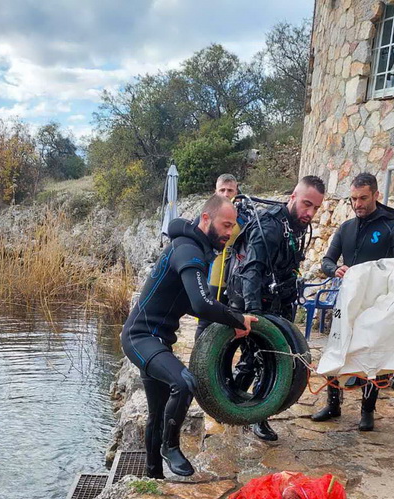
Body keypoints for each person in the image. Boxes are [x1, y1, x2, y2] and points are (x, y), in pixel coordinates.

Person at [122, 194, 256, 478]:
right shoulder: (186, 248)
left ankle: (152, 476)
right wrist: (236, 318)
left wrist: (227, 325)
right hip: (140, 337)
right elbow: (201, 304)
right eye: (226, 224)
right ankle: (170, 447)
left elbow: (202, 302)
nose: (230, 233)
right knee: (183, 383)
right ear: (206, 218)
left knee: (157, 414)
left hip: (159, 340)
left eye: (233, 227)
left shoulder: (201, 250)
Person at [227, 175, 326, 441]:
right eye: (306, 204)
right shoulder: (270, 225)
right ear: (293, 196)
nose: (310, 213)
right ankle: (238, 410)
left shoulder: (296, 225)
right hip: (254, 301)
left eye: (316, 208)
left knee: (270, 359)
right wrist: (253, 315)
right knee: (255, 357)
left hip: (279, 301)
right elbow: (251, 270)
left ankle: (249, 410)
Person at [311, 172, 394, 431]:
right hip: (347, 302)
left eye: (363, 198)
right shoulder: (346, 228)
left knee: (371, 356)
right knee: (336, 349)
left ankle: (367, 411)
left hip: (377, 306)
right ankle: (333, 405)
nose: (358, 204)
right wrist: (336, 269)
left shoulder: (392, 227)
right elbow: (327, 261)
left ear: (376, 195)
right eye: (354, 199)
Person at [195, 174, 249, 338]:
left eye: (230, 190)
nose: (226, 194)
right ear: (215, 192)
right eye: (222, 190)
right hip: (212, 277)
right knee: (205, 323)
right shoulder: (206, 217)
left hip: (234, 281)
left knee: (230, 326)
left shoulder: (244, 218)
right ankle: (198, 359)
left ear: (236, 192)